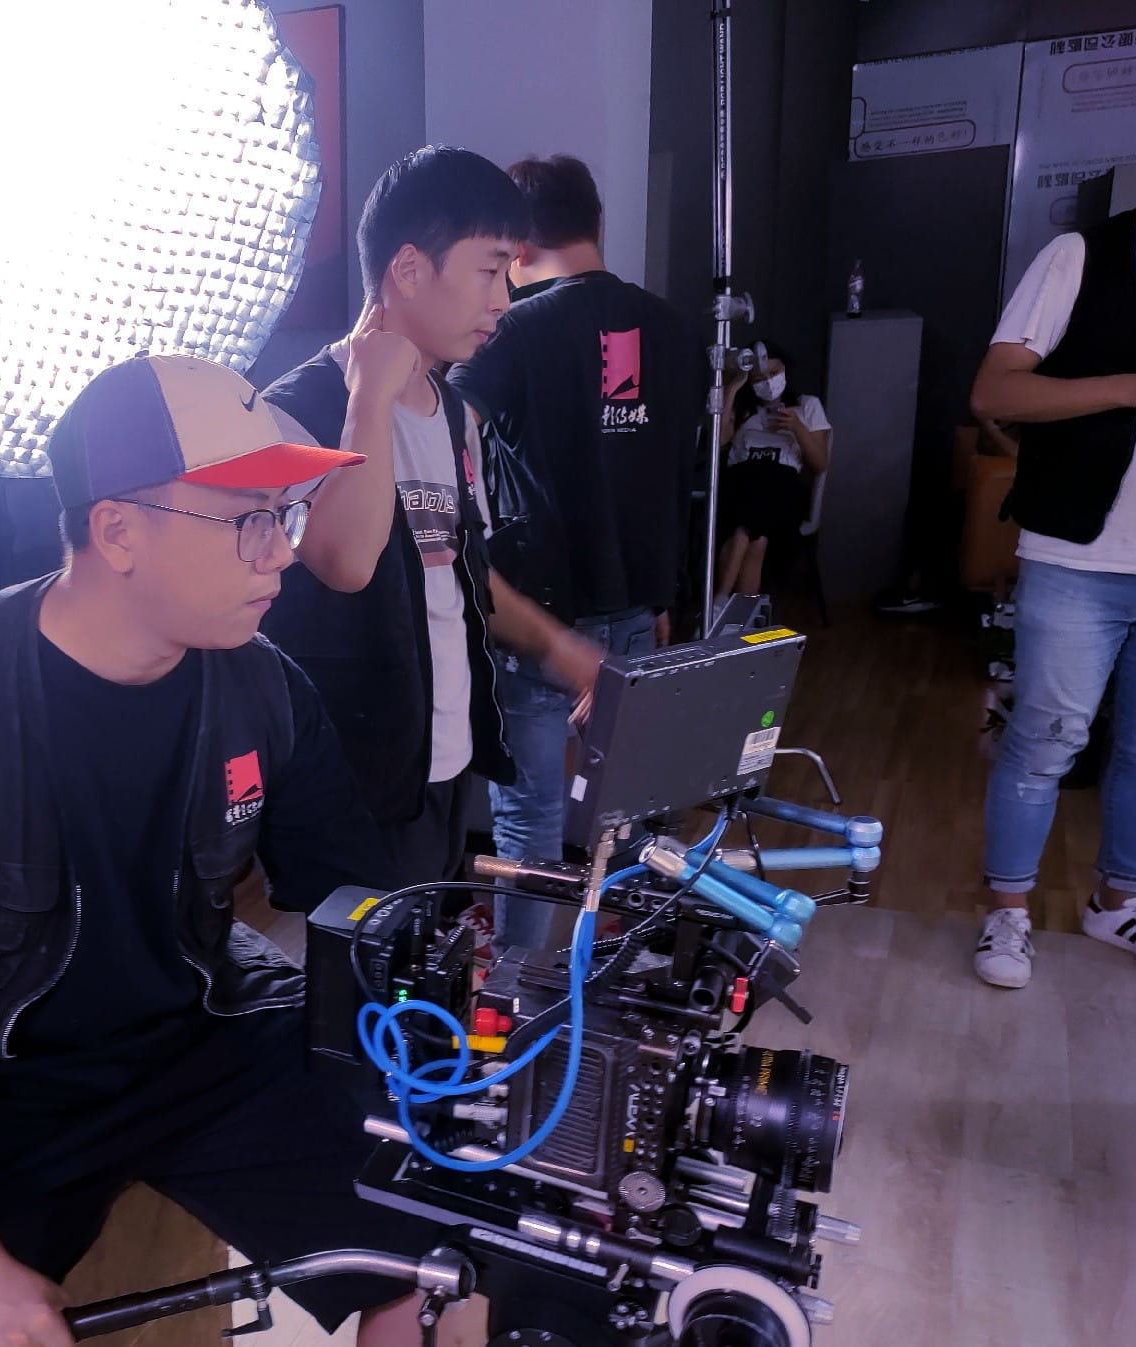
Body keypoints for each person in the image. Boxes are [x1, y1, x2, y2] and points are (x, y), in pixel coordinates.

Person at [0, 353, 479, 1347]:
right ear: (118, 530)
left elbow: (362, 905)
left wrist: (465, 1039)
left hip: (207, 1034)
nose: (281, 554)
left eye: (286, 515)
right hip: (0, 1084)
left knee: (447, 1267)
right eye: (247, 519)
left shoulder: (266, 689)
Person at [261, 145, 561, 891]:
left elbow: (462, 577)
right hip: (352, 774)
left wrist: (563, 649)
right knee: (360, 960)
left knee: (429, 951)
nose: (503, 299)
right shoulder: (295, 410)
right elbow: (346, 561)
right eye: (489, 270)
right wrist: (369, 397)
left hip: (446, 755)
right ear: (408, 269)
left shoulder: (455, 411)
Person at [446, 155, 702, 948]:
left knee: (530, 815)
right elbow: (677, 471)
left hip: (539, 614)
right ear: (597, 225)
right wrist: (664, 596)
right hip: (639, 604)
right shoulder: (672, 328)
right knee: (627, 807)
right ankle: (627, 970)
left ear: (518, 246)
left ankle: (517, 985)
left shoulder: (515, 332)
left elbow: (445, 430)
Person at [970, 175, 1136, 989]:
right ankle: (1008, 911)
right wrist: (1134, 389)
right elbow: (994, 392)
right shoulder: (1083, 256)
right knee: (1046, 741)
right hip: (1080, 557)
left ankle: (1121, 902)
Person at [714, 341, 832, 605]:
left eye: (774, 373)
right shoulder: (744, 410)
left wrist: (797, 428)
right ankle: (742, 619)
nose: (767, 382)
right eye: (759, 378)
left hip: (782, 486)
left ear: (786, 369)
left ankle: (719, 603)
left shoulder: (806, 405)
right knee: (757, 539)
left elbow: (820, 464)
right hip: (741, 482)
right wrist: (733, 388)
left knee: (746, 529)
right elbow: (719, 441)